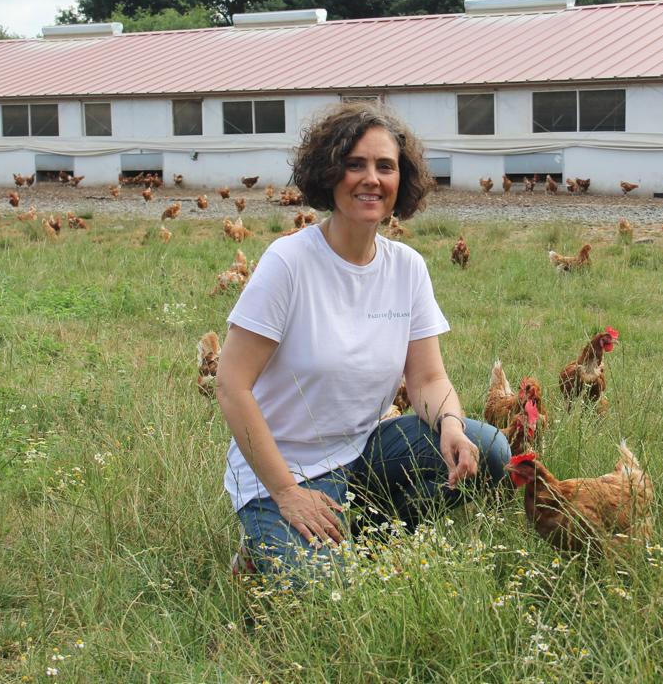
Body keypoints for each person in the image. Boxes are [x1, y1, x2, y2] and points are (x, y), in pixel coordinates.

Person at [215, 102, 511, 576]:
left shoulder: (406, 267)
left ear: (402, 181)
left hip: (363, 451)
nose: (370, 178)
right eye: (354, 164)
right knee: (323, 606)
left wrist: (451, 424)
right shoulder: (289, 262)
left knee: (490, 450)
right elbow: (232, 385)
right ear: (329, 173)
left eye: (385, 167)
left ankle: (375, 534)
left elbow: (429, 378)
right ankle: (261, 547)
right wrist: (287, 492)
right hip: (281, 468)